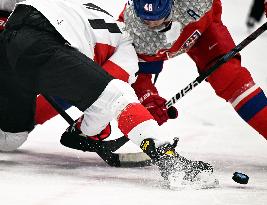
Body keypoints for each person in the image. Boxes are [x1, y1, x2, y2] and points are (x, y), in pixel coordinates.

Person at [0, 0, 217, 187]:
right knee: (118, 96)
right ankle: (167, 158)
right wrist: (87, 132)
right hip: (42, 40)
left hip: (11, 30)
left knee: (11, 137)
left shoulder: (99, 14)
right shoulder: (128, 47)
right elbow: (108, 99)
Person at [118, 0, 267, 139]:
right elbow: (133, 70)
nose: (152, 23)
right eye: (146, 18)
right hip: (155, 42)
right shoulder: (130, 25)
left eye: (157, 16)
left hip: (202, 25)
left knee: (227, 76)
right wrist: (146, 96)